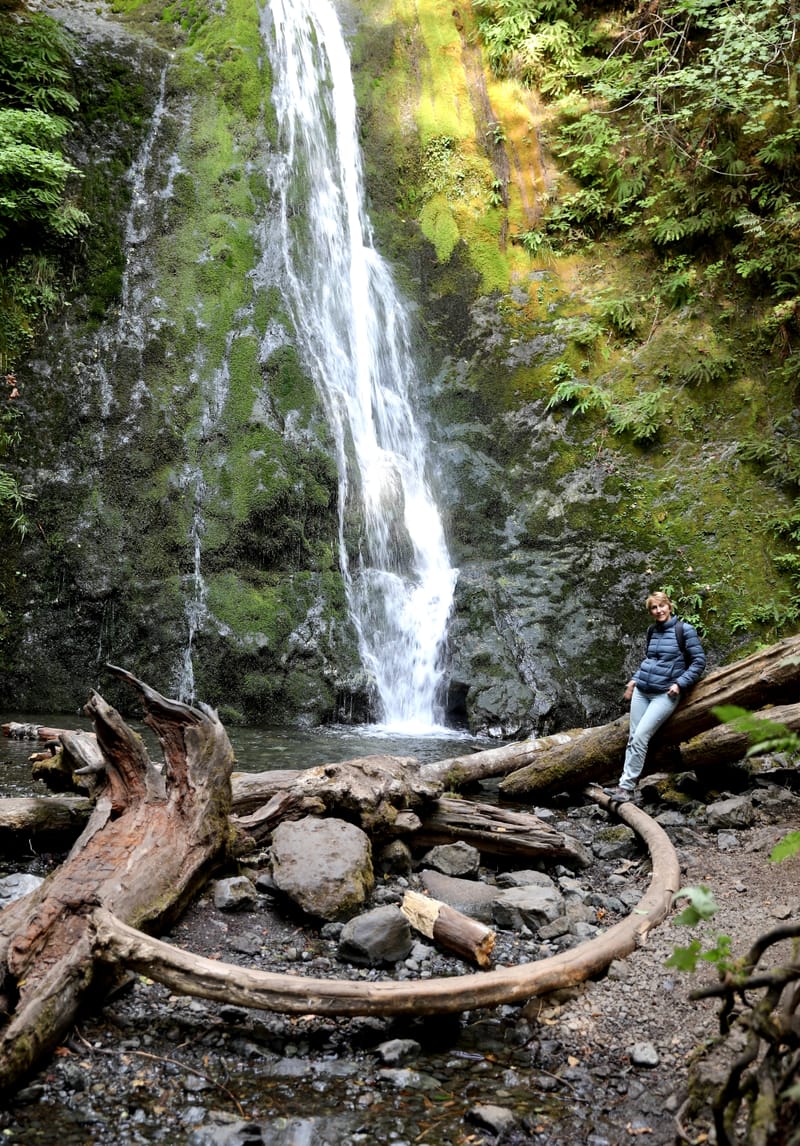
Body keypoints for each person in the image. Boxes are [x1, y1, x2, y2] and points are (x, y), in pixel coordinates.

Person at [604, 591, 706, 802]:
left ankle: (626, 787)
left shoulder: (684, 630)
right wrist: (634, 680)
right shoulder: (652, 631)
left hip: (665, 694)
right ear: (650, 611)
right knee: (633, 737)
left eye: (661, 606)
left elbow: (698, 662)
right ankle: (624, 786)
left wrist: (680, 683)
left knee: (641, 736)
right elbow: (650, 660)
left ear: (669, 606)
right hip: (642, 690)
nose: (658, 611)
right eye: (654, 608)